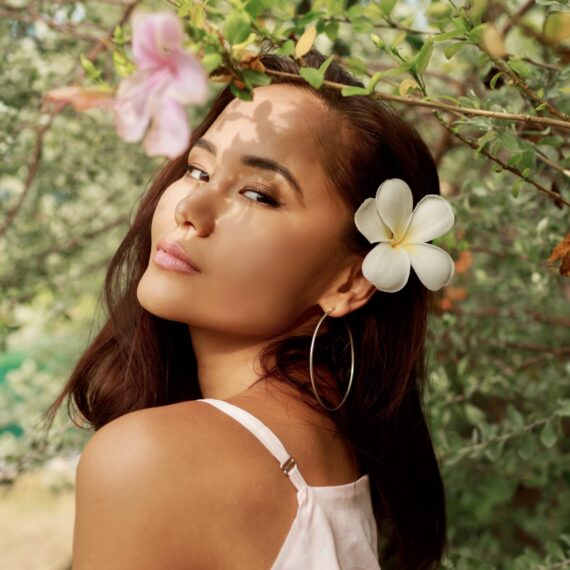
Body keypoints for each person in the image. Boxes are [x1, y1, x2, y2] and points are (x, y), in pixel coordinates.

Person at [44, 45, 451, 569]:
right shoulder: (339, 455)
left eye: (259, 194)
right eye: (197, 169)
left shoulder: (149, 459)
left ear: (351, 282)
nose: (190, 209)